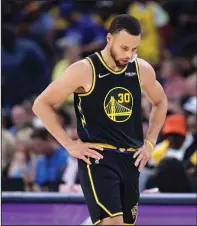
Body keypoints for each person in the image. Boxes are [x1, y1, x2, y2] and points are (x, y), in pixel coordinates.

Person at [33, 15, 167, 225]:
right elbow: (41, 104)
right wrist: (69, 145)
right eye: (124, 48)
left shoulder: (141, 69)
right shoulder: (84, 70)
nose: (129, 55)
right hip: (98, 157)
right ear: (109, 39)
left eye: (134, 49)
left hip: (131, 159)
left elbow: (160, 102)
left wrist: (149, 143)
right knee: (112, 223)